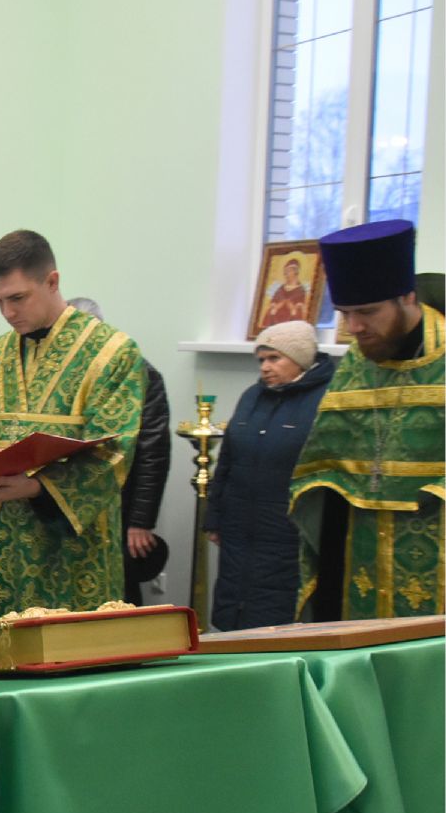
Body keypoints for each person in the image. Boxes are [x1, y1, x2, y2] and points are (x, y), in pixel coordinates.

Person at [0, 230, 146, 616]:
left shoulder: (112, 353)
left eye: (17, 298)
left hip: (71, 551)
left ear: (52, 281)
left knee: (65, 647)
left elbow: (114, 452)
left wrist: (35, 487)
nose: (7, 313)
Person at [291, 220, 444, 621]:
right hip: (359, 560)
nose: (354, 328)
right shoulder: (358, 363)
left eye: (367, 312)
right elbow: (324, 467)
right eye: (344, 313)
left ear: (407, 297)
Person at [203, 322, 334, 629]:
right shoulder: (252, 397)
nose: (265, 367)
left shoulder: (326, 400)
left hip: (288, 529)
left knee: (276, 613)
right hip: (238, 526)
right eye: (261, 359)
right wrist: (214, 517)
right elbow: (227, 460)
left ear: (300, 359)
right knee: (233, 605)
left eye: (274, 358)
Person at [67, 296, 172, 605]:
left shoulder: (139, 372)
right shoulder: (61, 375)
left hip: (119, 505)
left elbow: (153, 452)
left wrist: (141, 521)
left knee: (118, 593)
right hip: (70, 504)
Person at [259, 256, 310, 329]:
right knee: (270, 312)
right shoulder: (280, 288)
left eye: (288, 271)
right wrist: (276, 305)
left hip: (291, 316)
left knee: (296, 314)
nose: (286, 274)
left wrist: (293, 307)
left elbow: (301, 306)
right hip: (277, 314)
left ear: (295, 272)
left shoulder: (300, 290)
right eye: (285, 271)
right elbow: (273, 301)